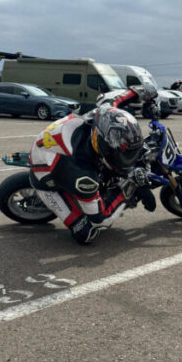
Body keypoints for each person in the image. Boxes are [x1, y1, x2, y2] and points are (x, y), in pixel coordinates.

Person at [28, 85, 157, 244]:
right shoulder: (82, 176)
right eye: (124, 156)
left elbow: (114, 97)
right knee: (88, 231)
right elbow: (100, 217)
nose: (128, 160)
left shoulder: (104, 115)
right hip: (46, 175)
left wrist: (141, 91)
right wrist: (130, 187)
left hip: (58, 145)